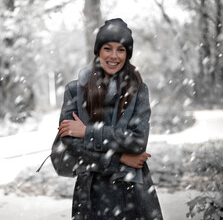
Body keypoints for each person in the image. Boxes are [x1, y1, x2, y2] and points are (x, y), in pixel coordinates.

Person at [57, 18, 163, 220]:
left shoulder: (139, 90)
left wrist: (88, 132)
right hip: (90, 192)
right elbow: (71, 145)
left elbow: (137, 141)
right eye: (107, 48)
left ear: (127, 54)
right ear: (98, 51)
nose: (114, 56)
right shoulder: (74, 90)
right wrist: (120, 158)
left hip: (133, 190)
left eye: (121, 50)